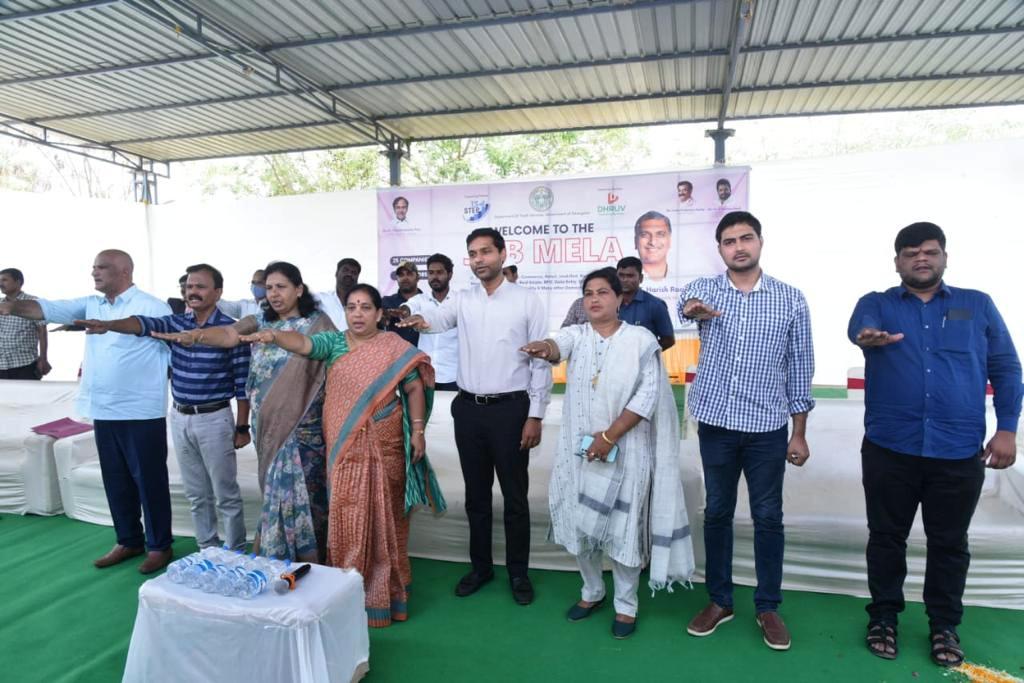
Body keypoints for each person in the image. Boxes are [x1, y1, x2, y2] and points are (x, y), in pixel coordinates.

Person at [848, 222, 1021, 668]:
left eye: (929, 251)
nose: (920, 258)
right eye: (910, 253)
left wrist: (1007, 428)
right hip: (890, 448)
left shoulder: (976, 305)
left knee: (949, 543)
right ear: (897, 262)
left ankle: (944, 624)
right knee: (886, 538)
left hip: (957, 451)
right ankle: (883, 617)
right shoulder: (878, 304)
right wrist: (868, 336)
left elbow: (1006, 368)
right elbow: (860, 327)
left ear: (945, 256)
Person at [240, 283, 446, 626]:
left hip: (386, 441)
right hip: (343, 443)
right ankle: (347, 591)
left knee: (387, 515)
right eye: (352, 307)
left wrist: (419, 431)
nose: (358, 314)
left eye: (366, 307)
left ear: (379, 314)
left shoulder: (394, 346)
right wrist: (275, 336)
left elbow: (413, 387)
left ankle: (385, 591)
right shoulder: (335, 343)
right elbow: (304, 344)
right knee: (346, 512)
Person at [522, 268, 694, 640]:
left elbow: (647, 395)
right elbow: (557, 345)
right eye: (588, 293)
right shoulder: (578, 335)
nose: (594, 299)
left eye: (603, 292)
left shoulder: (640, 339)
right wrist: (544, 348)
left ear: (619, 298)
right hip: (579, 451)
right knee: (580, 522)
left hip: (628, 450)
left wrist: (609, 436)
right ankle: (592, 591)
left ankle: (626, 605)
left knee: (623, 528)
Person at [678, 211, 815, 651]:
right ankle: (720, 601)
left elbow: (801, 366)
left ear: (760, 242)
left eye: (746, 238)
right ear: (720, 249)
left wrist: (799, 431)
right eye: (729, 241)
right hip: (716, 424)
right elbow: (684, 304)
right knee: (717, 512)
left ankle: (767, 606)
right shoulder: (706, 290)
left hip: (767, 428)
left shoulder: (790, 299)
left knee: (768, 516)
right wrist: (692, 310)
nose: (739, 246)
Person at [400, 227, 552, 605]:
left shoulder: (527, 300)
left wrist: (535, 415)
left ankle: (518, 573)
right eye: (473, 253)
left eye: (486, 251)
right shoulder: (463, 300)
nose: (479, 259)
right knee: (476, 496)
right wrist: (416, 318)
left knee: (515, 497)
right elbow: (436, 319)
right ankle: (480, 567)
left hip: (511, 411)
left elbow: (540, 362)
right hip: (468, 410)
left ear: (502, 254)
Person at [0, 250, 174, 573]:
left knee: (149, 482)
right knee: (116, 480)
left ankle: (159, 546)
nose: (95, 273)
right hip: (103, 409)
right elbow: (47, 308)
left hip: (141, 411)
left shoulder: (153, 307)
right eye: (94, 267)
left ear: (125, 271)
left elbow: (174, 350)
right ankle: (128, 540)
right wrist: (10, 307)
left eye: (102, 267)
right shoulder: (91, 304)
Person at [152, 261, 334, 562]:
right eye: (269, 287)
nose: (273, 293)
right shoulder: (259, 320)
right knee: (273, 491)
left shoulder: (318, 323)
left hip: (303, 426)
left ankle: (311, 561)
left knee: (307, 495)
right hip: (266, 424)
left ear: (299, 289)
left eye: (281, 287)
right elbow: (228, 334)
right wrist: (196, 336)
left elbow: (334, 364)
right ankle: (276, 556)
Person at [75, 263, 252, 551]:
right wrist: (109, 325)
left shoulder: (231, 330)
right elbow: (142, 324)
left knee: (225, 494)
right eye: (189, 286)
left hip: (214, 418)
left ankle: (235, 552)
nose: (193, 291)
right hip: (179, 417)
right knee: (196, 493)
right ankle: (207, 549)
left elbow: (243, 385)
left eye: (201, 286)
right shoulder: (176, 323)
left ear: (218, 292)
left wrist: (242, 427)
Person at [402, 254, 460, 391]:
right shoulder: (420, 299)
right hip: (425, 374)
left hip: (453, 375)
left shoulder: (460, 300)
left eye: (439, 272)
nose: (434, 277)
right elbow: (409, 306)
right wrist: (403, 311)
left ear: (450, 274)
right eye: (431, 273)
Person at [0, 268, 50, 379]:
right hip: (1, 364)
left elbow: (42, 332)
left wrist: (43, 359)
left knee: (27, 391)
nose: (1, 284)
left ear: (18, 282)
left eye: (4, 280)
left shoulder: (33, 302)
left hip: (24, 363)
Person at [616, 256, 675, 351]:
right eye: (621, 275)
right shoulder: (609, 304)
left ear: (641, 278)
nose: (624, 280)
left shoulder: (655, 305)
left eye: (630, 276)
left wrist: (647, 354)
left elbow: (669, 340)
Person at [382, 260, 422, 346]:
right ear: (397, 278)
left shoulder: (428, 301)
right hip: (396, 353)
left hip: (423, 352)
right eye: (401, 275)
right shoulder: (387, 301)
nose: (405, 278)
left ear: (418, 277)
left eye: (409, 274)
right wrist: (386, 316)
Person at [315, 258, 360, 331]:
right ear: (336, 273)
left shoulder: (363, 303)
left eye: (354, 272)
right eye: (345, 270)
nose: (349, 274)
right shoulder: (321, 298)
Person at [634, 211, 672, 281]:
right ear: (635, 241)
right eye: (645, 235)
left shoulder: (685, 280)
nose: (653, 242)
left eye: (660, 234)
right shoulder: (621, 281)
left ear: (669, 240)